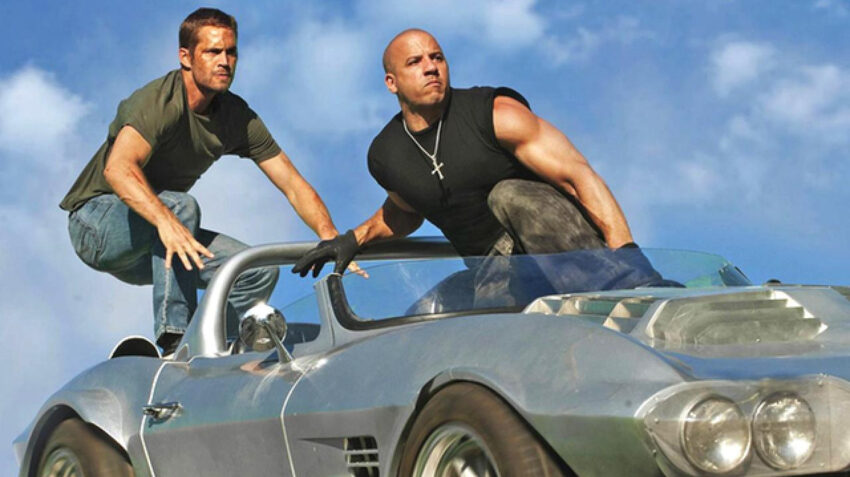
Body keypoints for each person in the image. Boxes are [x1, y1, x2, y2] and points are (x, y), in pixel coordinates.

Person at [60, 8, 345, 354]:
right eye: (212, 52)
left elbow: (292, 184)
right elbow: (117, 169)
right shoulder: (159, 102)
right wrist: (166, 221)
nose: (224, 61)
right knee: (181, 206)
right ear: (186, 57)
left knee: (254, 270)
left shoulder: (237, 117)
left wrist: (332, 238)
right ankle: (175, 340)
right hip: (97, 224)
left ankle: (213, 351)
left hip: (157, 245)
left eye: (231, 52)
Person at [293, 28, 648, 293]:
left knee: (509, 195)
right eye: (415, 62)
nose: (431, 68)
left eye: (437, 58)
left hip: (563, 249)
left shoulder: (495, 114)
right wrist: (353, 238)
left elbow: (577, 176)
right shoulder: (386, 155)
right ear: (392, 82)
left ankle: (623, 293)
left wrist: (631, 260)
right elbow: (406, 210)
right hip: (495, 271)